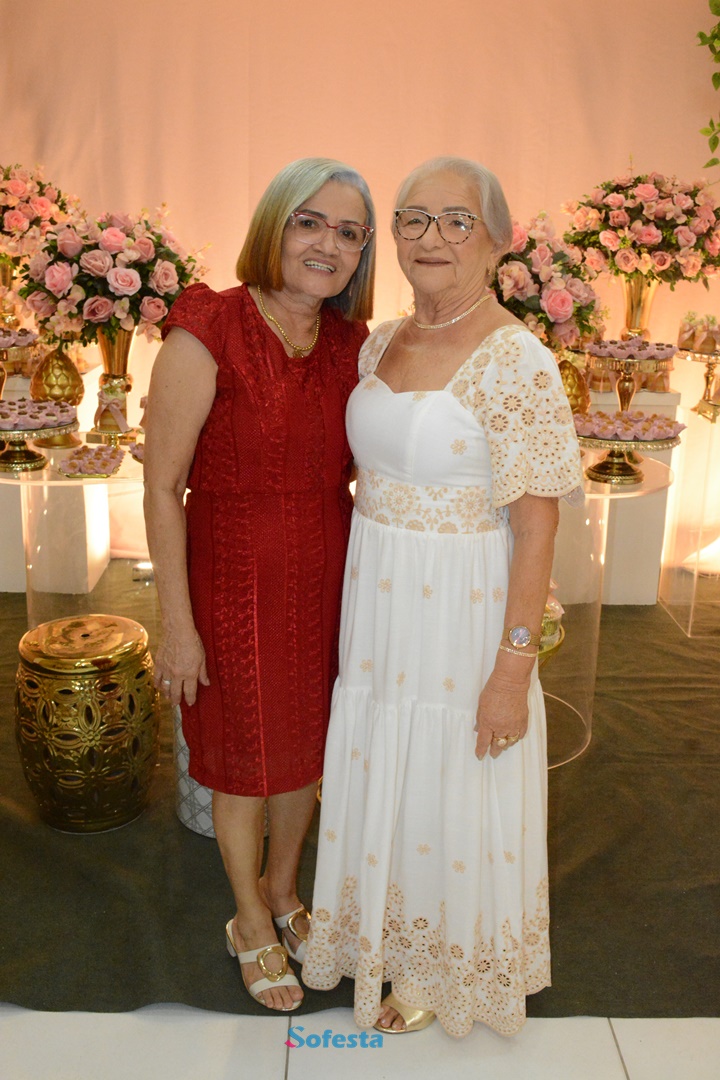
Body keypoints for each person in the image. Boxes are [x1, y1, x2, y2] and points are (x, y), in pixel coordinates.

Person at [301, 157, 583, 1037]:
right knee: (387, 748)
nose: (432, 238)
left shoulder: (518, 360)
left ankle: (441, 960)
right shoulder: (379, 342)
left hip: (461, 607)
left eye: (458, 221)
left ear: (497, 241)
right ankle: (382, 931)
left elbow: (537, 527)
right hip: (380, 598)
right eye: (413, 218)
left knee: (449, 767)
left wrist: (512, 670)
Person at [143, 158, 375, 1012]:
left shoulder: (354, 344)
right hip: (229, 583)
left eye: (348, 233)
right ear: (273, 224)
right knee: (244, 761)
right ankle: (248, 917)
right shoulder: (207, 326)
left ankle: (284, 891)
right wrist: (177, 625)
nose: (327, 244)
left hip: (328, 579)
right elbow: (162, 487)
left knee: (305, 751)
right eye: (309, 221)